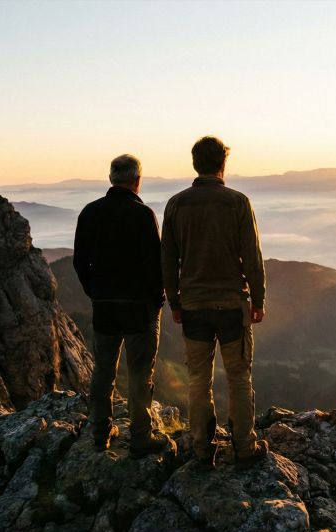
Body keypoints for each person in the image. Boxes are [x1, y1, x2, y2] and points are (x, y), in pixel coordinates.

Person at [162, 136, 268, 468]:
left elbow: (168, 260)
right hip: (231, 305)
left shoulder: (176, 204)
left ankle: (202, 449)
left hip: (193, 306)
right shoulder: (238, 202)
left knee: (197, 379)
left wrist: (175, 302)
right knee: (238, 376)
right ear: (223, 164)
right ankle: (244, 448)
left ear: (196, 164)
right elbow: (252, 257)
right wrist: (258, 298)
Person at [73, 154, 172, 458]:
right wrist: (158, 300)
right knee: (141, 373)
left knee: (103, 370)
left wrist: (95, 292)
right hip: (139, 308)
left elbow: (80, 261)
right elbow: (157, 264)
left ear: (111, 179)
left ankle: (101, 433)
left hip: (105, 306)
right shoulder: (142, 214)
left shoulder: (90, 212)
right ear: (137, 180)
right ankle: (141, 437)